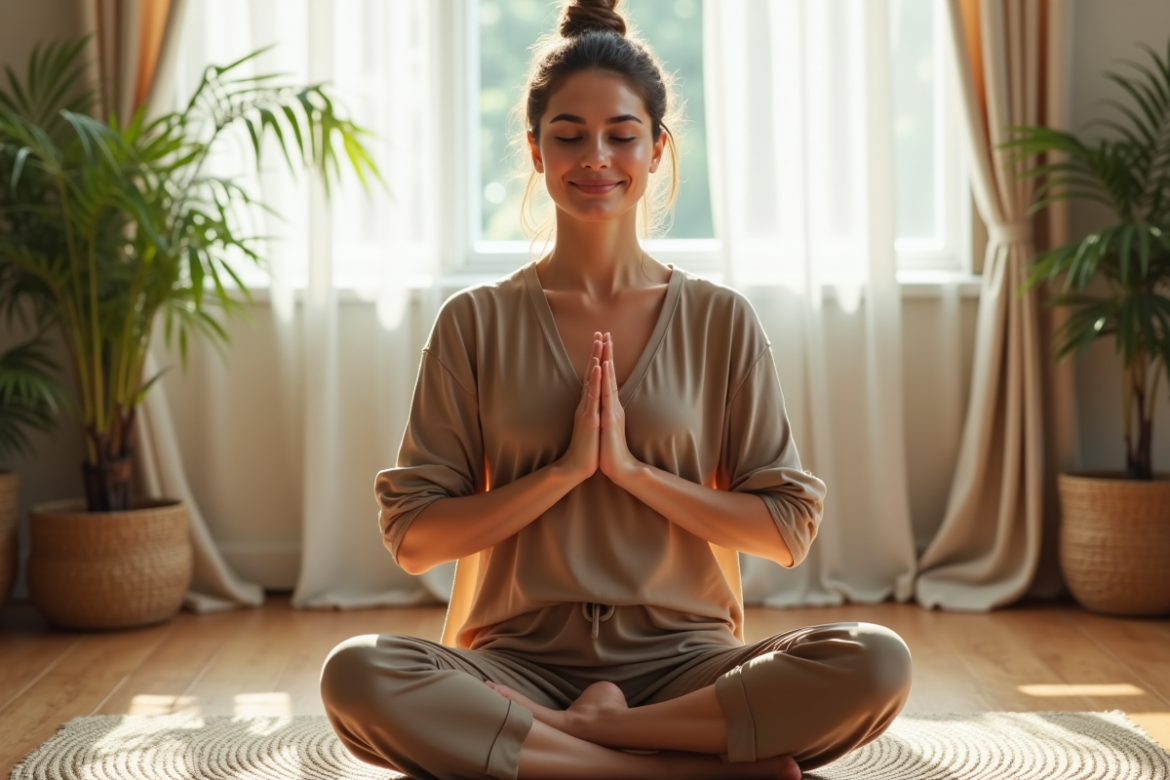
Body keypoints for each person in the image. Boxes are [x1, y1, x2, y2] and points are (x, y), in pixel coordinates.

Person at [320, 1, 912, 778]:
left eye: (621, 135)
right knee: (359, 674)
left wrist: (633, 473)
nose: (594, 156)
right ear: (535, 151)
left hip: (686, 664)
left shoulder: (720, 320)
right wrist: (564, 472)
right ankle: (669, 770)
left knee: (875, 662)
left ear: (657, 148)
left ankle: (575, 749)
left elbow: (785, 529)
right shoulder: (474, 323)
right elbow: (415, 537)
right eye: (568, 135)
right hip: (514, 663)